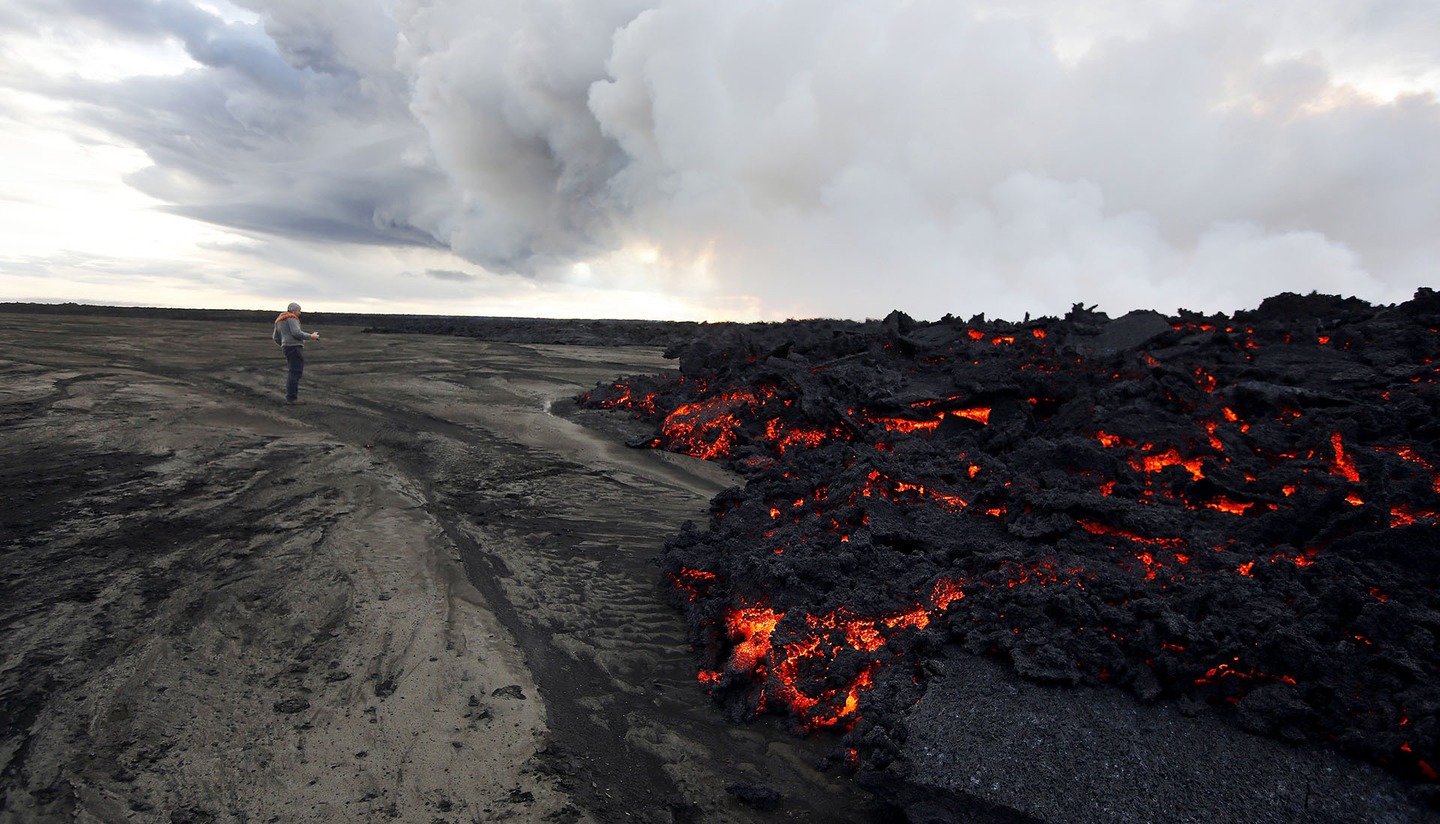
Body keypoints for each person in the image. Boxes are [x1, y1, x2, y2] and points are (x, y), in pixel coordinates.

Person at [274, 302, 320, 404]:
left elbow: (275, 337)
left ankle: (291, 397)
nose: (300, 313)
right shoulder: (291, 317)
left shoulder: (279, 320)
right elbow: (296, 333)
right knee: (295, 372)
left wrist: (284, 344)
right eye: (299, 311)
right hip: (294, 347)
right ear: (294, 310)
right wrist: (311, 336)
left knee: (292, 371)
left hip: (287, 347)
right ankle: (292, 398)